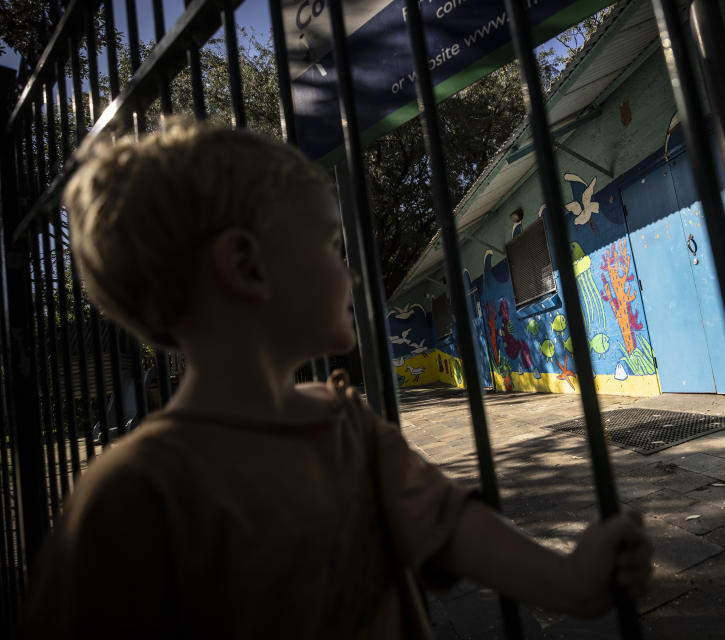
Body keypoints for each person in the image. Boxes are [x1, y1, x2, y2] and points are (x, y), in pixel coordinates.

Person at [21, 121, 653, 638]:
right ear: (247, 266)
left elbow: (452, 525)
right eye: (330, 247)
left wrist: (572, 581)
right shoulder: (130, 495)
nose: (350, 276)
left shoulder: (347, 424)